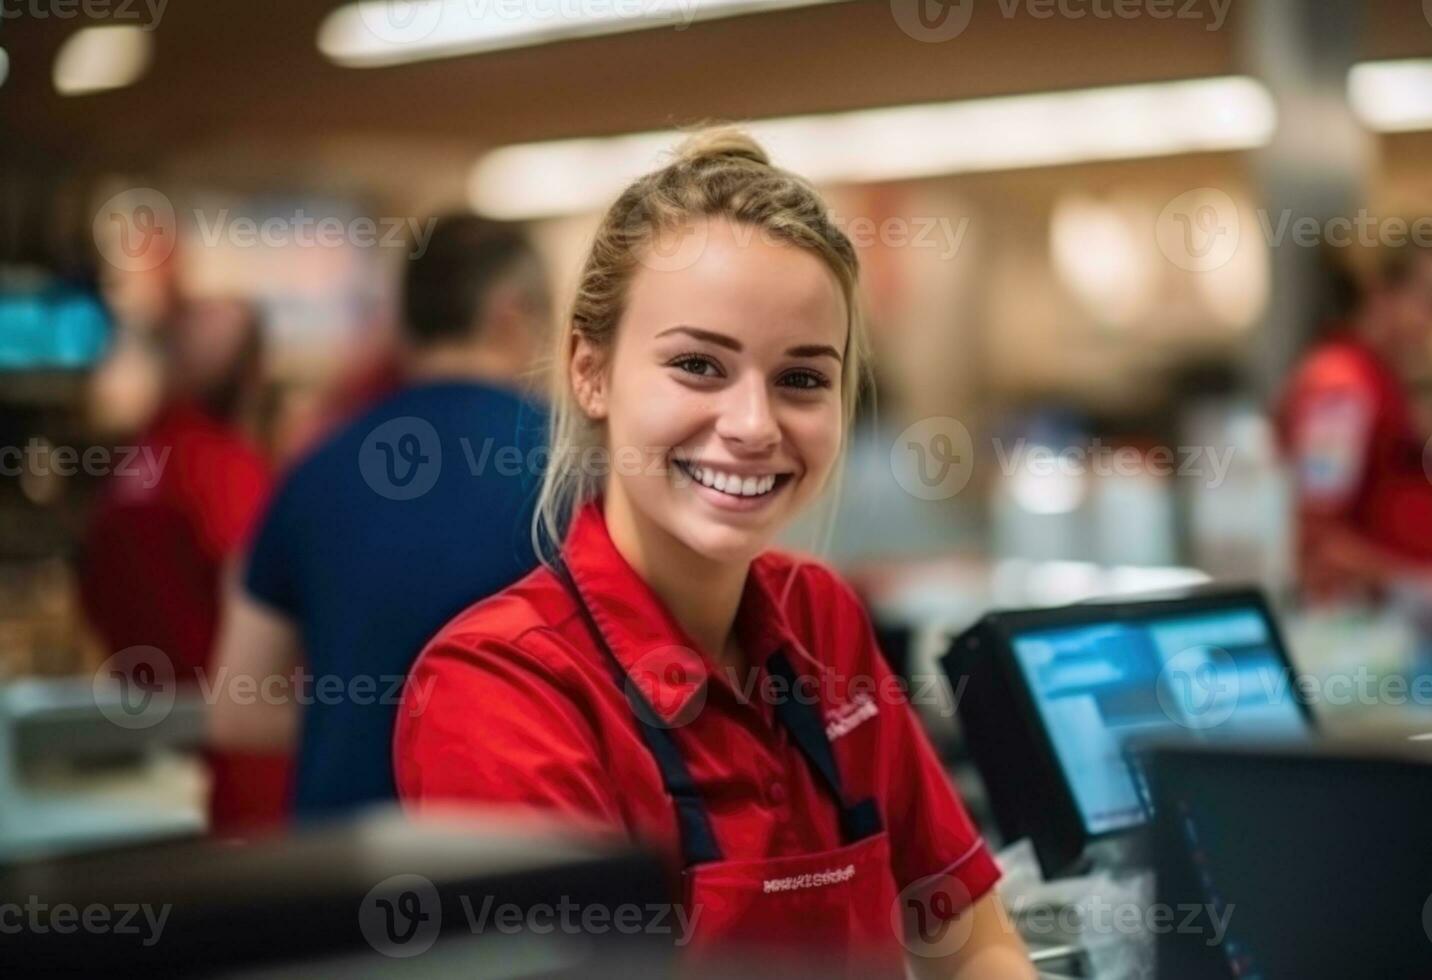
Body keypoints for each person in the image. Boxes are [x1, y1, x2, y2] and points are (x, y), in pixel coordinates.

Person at [393, 129, 1031, 976]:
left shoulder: (821, 619)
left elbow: (968, 943)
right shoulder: (498, 694)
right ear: (590, 372)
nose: (754, 426)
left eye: (802, 379)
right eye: (698, 365)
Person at [208, 215, 551, 822]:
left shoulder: (313, 468)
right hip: (522, 865)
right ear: (511, 314)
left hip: (339, 871)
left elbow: (237, 705)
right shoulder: (575, 467)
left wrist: (356, 724)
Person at [79, 297, 291, 836]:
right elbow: (263, 604)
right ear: (255, 372)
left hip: (151, 755)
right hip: (236, 769)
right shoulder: (222, 468)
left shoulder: (138, 462)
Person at [1276, 240, 1432, 600]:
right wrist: (1421, 586)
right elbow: (1317, 534)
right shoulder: (1340, 388)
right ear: (1380, 294)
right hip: (1363, 632)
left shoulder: (1383, 381)